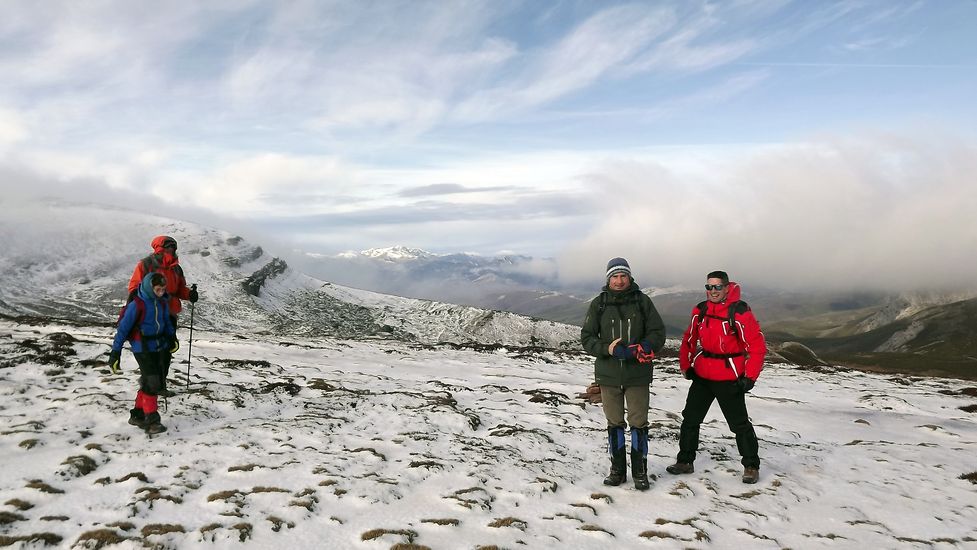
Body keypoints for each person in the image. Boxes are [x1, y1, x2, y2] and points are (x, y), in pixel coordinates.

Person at [667, 270, 767, 484]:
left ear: (727, 288)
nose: (713, 291)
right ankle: (685, 461)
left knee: (739, 424)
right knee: (690, 419)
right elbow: (689, 338)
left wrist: (750, 377)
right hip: (703, 375)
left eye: (717, 287)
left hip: (729, 376)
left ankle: (751, 466)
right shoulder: (701, 310)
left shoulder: (739, 312)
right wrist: (686, 365)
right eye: (709, 286)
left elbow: (757, 346)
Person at [581, 257, 666, 490]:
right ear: (608, 279)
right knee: (614, 423)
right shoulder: (599, 304)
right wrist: (607, 349)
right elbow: (587, 338)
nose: (619, 281)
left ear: (630, 277)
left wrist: (647, 345)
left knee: (639, 423)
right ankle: (617, 470)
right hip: (608, 376)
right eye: (615, 277)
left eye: (623, 276)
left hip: (637, 374)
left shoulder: (642, 301)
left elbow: (658, 332)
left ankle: (640, 472)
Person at [127, 235, 198, 396]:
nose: (171, 250)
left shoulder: (176, 269)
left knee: (165, 353)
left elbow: (180, 289)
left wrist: (189, 294)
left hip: (169, 316)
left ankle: (160, 386)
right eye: (168, 247)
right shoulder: (146, 265)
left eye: (173, 247)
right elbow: (135, 287)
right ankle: (150, 388)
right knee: (151, 353)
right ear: (159, 248)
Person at [109, 273, 177, 434]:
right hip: (142, 347)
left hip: (160, 346)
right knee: (153, 382)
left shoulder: (162, 302)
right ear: (149, 287)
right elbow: (123, 330)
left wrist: (172, 338)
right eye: (158, 290)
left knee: (151, 380)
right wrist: (115, 352)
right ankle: (152, 421)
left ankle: (137, 415)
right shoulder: (137, 305)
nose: (161, 293)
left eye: (163, 289)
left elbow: (167, 322)